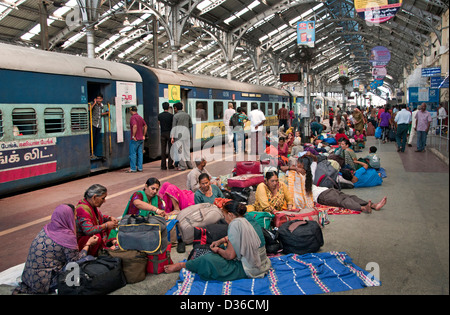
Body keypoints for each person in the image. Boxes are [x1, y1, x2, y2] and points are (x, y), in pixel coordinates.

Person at [164, 200, 271, 281]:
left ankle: (183, 265)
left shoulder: (235, 224)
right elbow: (242, 236)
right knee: (220, 247)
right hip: (262, 262)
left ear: (230, 214)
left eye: (224, 216)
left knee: (208, 259)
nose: (224, 219)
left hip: (248, 268)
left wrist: (218, 250)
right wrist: (221, 240)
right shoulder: (248, 218)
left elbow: (230, 256)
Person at [13, 204, 99, 294]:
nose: (75, 218)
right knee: (88, 259)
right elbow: (75, 261)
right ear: (68, 217)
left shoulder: (47, 228)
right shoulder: (66, 236)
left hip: (29, 278)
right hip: (45, 282)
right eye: (74, 215)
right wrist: (88, 244)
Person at [298, 156, 387, 213]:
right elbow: (314, 162)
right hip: (325, 191)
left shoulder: (303, 177)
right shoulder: (307, 175)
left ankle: (367, 206)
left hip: (323, 193)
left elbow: (314, 162)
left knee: (346, 199)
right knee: (347, 198)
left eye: (298, 165)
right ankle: (366, 206)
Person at [75, 184, 119, 256]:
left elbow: (99, 217)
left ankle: (111, 243)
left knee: (112, 227)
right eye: (103, 198)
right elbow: (88, 230)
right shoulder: (82, 210)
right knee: (97, 236)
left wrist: (109, 218)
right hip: (81, 240)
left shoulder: (91, 205)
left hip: (87, 236)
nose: (104, 201)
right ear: (94, 197)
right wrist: (106, 225)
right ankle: (97, 253)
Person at [171, 102, 193, 170]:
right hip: (186, 135)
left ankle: (182, 166)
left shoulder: (175, 116)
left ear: (176, 108)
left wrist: (172, 137)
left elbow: (173, 127)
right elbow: (190, 125)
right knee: (187, 150)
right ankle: (190, 165)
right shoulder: (187, 115)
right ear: (182, 108)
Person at [127, 106, 147, 173]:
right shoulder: (140, 117)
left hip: (135, 139)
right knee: (140, 153)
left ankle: (133, 168)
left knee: (132, 154)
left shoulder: (133, 118)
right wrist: (143, 135)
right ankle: (140, 168)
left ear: (131, 111)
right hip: (141, 139)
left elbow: (135, 126)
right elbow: (145, 126)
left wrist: (133, 135)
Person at [89, 93, 109, 158]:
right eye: (97, 98)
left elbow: (99, 114)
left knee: (96, 140)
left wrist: (106, 113)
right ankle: (90, 153)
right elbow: (89, 109)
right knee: (92, 139)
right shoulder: (93, 104)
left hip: (99, 125)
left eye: (99, 99)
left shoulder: (101, 106)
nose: (98, 100)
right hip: (93, 124)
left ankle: (93, 153)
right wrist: (94, 103)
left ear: (102, 99)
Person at [158, 102, 174, 170]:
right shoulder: (171, 116)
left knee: (163, 150)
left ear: (162, 107)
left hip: (162, 133)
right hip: (169, 134)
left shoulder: (160, 115)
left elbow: (159, 123)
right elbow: (173, 126)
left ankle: (163, 166)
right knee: (170, 150)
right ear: (168, 107)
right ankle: (170, 165)